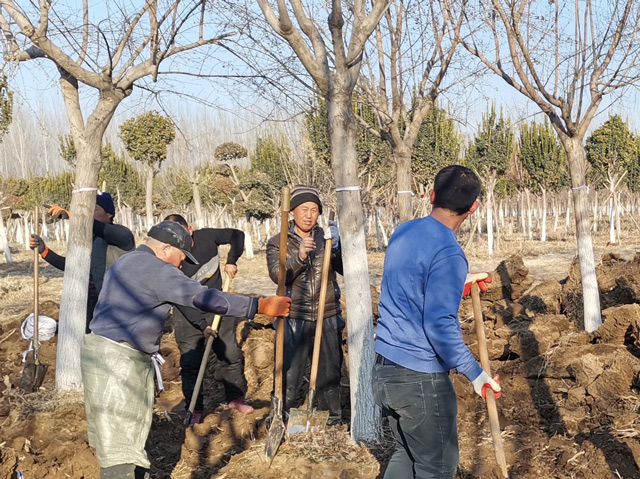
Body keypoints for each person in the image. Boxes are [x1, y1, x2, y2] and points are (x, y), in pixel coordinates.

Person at [81, 220, 291, 479]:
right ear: (165, 248)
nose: (182, 265)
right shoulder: (155, 269)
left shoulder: (127, 261)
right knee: (120, 449)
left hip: (103, 358)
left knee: (120, 439)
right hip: (119, 366)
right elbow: (204, 297)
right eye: (181, 257)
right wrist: (258, 306)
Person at [372, 165, 501, 479]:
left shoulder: (405, 231)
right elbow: (439, 325)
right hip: (420, 379)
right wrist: (475, 373)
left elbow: (411, 279)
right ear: (474, 207)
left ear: (431, 196)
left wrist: (457, 283)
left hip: (385, 368)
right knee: (437, 466)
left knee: (406, 454)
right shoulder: (449, 252)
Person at [164, 213, 252, 424]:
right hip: (186, 312)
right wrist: (202, 326)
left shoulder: (207, 237)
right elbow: (179, 298)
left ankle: (235, 398)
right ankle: (194, 407)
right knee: (191, 362)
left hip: (217, 305)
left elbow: (237, 235)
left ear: (190, 229)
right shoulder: (169, 259)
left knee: (229, 353)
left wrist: (232, 261)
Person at [265, 185, 343, 426]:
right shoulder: (278, 241)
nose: (309, 215)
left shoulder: (326, 238)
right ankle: (280, 416)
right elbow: (277, 275)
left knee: (329, 373)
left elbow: (345, 270)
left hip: (326, 313)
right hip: (294, 314)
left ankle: (330, 420)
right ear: (292, 213)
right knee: (288, 371)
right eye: (303, 209)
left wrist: (339, 248)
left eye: (314, 209)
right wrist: (298, 257)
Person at [29, 192, 135, 332]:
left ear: (109, 214)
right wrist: (44, 251)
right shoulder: (90, 240)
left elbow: (104, 230)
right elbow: (74, 267)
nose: (89, 214)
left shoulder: (122, 234)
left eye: (95, 209)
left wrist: (74, 217)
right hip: (91, 304)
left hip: (117, 306)